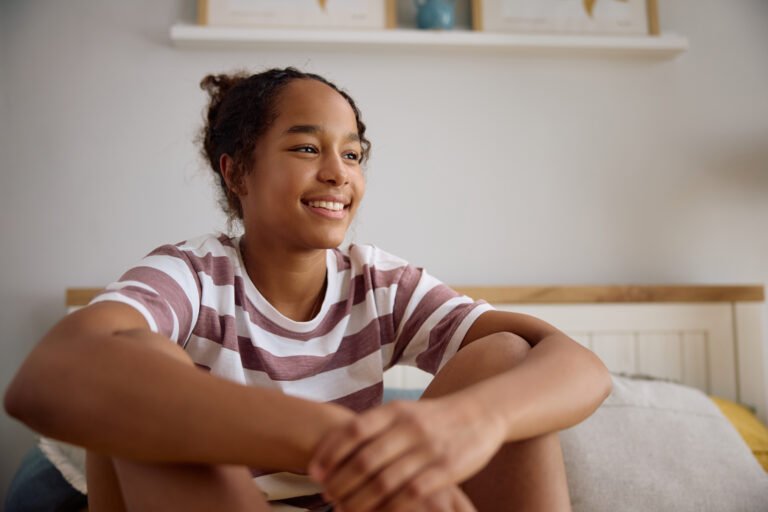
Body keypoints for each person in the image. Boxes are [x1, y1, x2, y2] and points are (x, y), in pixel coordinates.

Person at [4, 67, 612, 512]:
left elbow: (577, 367)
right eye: (305, 148)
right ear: (237, 171)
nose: (338, 172)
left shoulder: (376, 283)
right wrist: (342, 445)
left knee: (505, 355)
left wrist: (472, 422)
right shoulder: (190, 275)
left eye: (353, 153)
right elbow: (46, 378)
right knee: (139, 368)